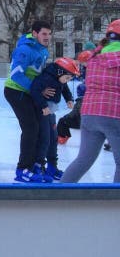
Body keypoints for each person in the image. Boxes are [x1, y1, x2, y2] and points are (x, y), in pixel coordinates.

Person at [61, 21, 120, 183]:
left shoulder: (94, 57)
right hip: (114, 113)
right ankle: (115, 203)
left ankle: (59, 195)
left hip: (89, 113)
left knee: (83, 160)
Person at [4, 20, 52, 183]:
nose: (48, 37)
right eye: (44, 34)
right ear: (35, 33)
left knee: (41, 128)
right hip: (15, 91)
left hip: (31, 93)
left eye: (49, 34)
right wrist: (38, 90)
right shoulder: (24, 50)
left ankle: (35, 165)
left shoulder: (43, 51)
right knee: (31, 128)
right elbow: (16, 75)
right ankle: (22, 169)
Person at [28, 57, 79, 181]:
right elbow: (34, 90)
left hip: (51, 112)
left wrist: (69, 99)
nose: (66, 81)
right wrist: (43, 106)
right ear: (60, 71)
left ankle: (52, 167)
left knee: (53, 138)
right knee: (45, 138)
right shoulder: (46, 77)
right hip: (43, 111)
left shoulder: (59, 79)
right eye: (67, 78)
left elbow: (65, 88)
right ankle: (38, 166)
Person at [57, 50, 93, 143]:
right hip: (90, 118)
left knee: (62, 121)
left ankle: (62, 137)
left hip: (85, 120)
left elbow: (76, 112)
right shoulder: (89, 69)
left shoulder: (82, 100)